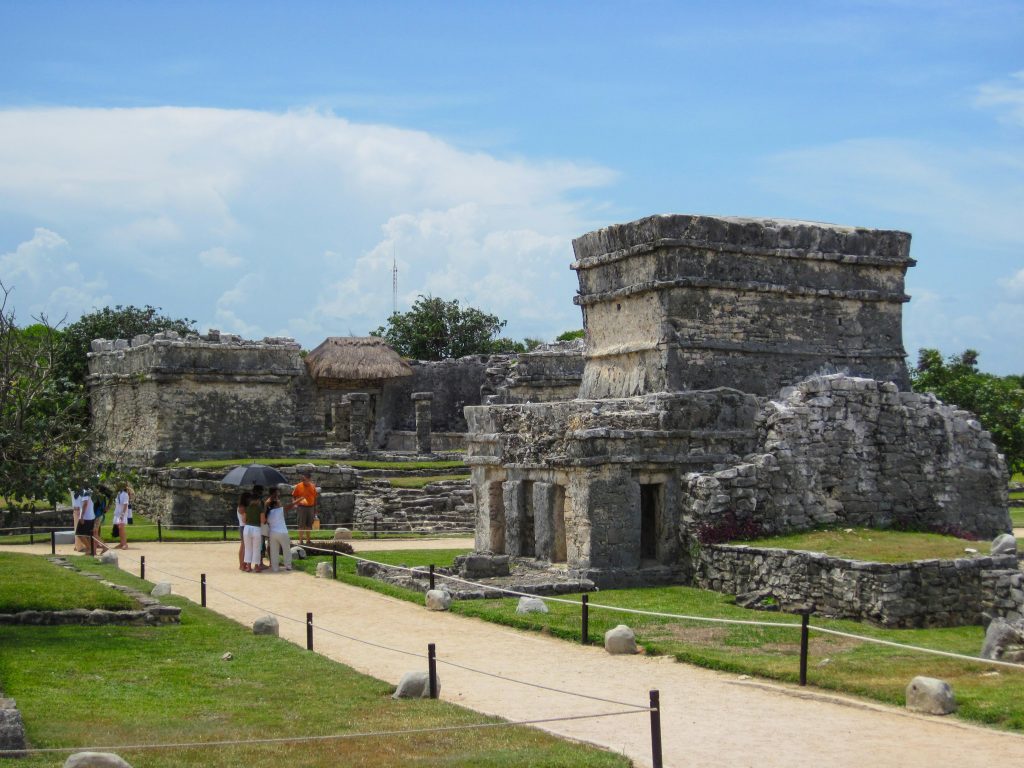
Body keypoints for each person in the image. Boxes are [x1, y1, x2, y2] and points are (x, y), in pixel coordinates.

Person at [263, 488, 292, 572]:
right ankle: (288, 565)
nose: (279, 501)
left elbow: (265, 520)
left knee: (274, 551)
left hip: (272, 533)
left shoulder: (268, 513)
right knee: (286, 549)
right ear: (276, 504)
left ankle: (275, 567)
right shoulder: (280, 510)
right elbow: (291, 505)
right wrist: (300, 499)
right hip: (282, 532)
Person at [289, 472, 318, 545]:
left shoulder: (313, 486)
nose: (303, 480)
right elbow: (293, 496)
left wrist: (315, 509)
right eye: (302, 479)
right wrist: (295, 504)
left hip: (311, 508)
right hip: (301, 508)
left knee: (309, 525)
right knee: (301, 524)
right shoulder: (298, 486)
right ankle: (301, 541)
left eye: (304, 479)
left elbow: (315, 498)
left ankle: (308, 540)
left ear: (309, 479)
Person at [242, 485, 265, 572]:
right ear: (258, 499)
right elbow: (262, 520)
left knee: (248, 548)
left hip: (247, 528)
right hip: (256, 528)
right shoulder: (260, 508)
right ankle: (256, 566)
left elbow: (244, 520)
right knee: (256, 548)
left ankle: (248, 566)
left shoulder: (247, 507)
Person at [113, 483, 130, 549]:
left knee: (122, 528)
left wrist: (122, 514)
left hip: (122, 514)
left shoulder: (125, 494)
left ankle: (125, 544)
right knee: (119, 529)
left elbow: (125, 505)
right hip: (117, 513)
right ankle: (121, 543)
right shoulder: (118, 493)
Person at [236, 492, 250, 571]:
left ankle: (242, 564)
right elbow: (244, 519)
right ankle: (242, 565)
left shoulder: (241, 506)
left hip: (243, 527)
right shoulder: (242, 507)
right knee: (244, 546)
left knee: (244, 546)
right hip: (244, 526)